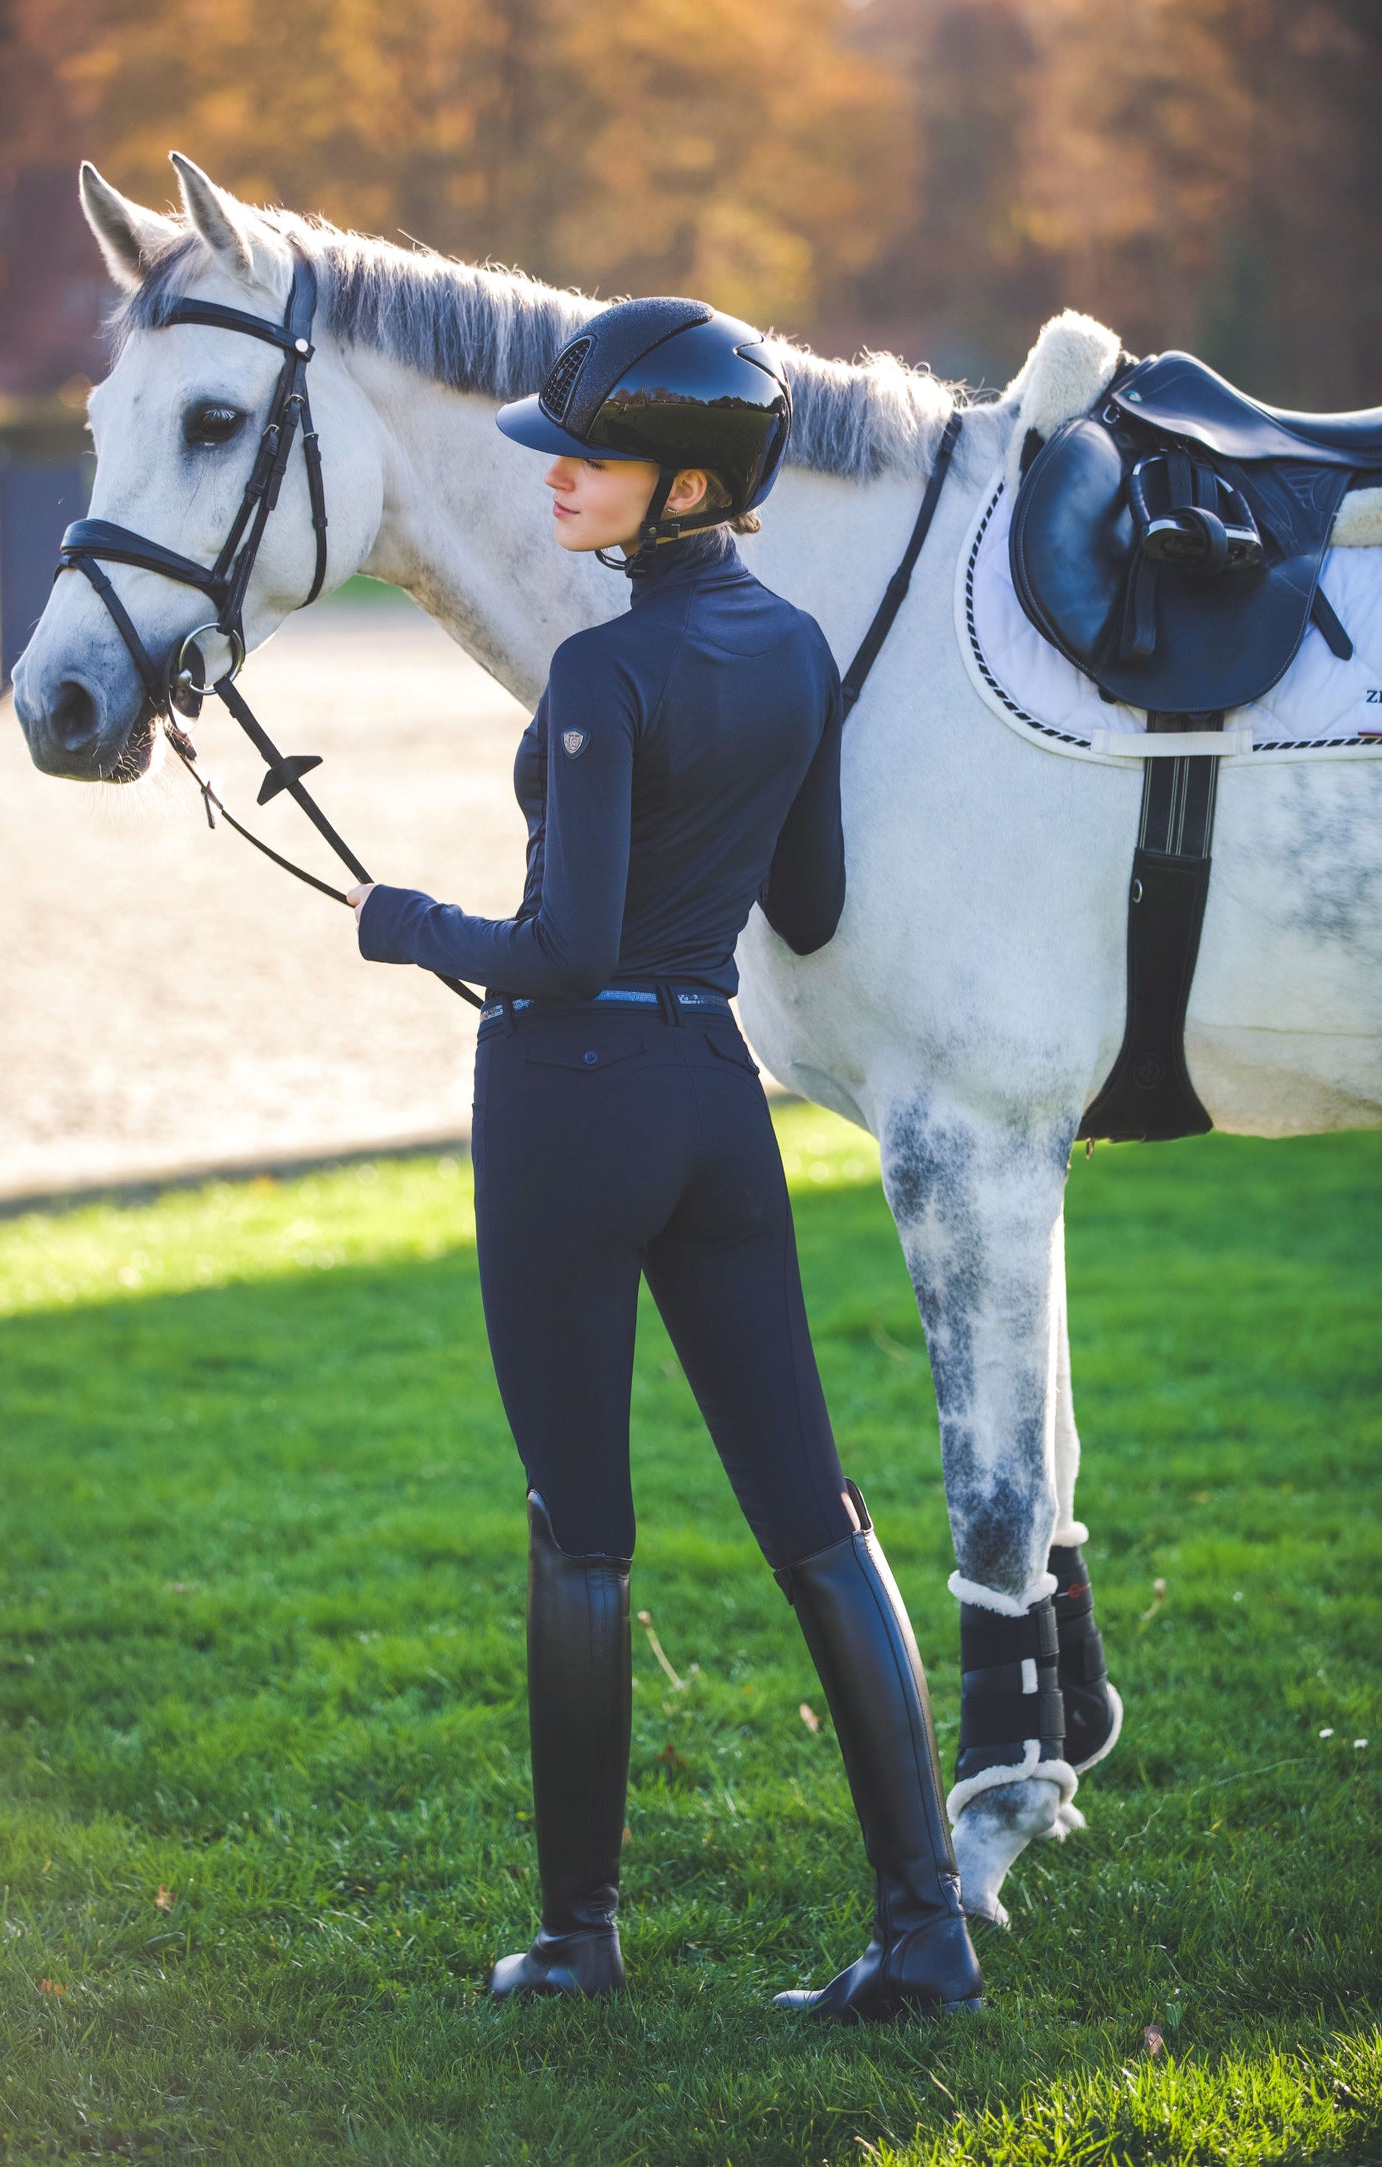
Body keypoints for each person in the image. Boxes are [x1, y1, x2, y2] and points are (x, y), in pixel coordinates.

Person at [348, 298, 983, 2021]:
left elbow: (556, 946)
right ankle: (923, 1932)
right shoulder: (791, 651)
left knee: (580, 1523)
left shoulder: (599, 673)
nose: (557, 478)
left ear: (689, 485)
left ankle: (575, 1936)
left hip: (570, 1097)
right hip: (714, 1101)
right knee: (814, 1514)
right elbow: (813, 901)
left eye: (593, 457)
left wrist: (411, 923)